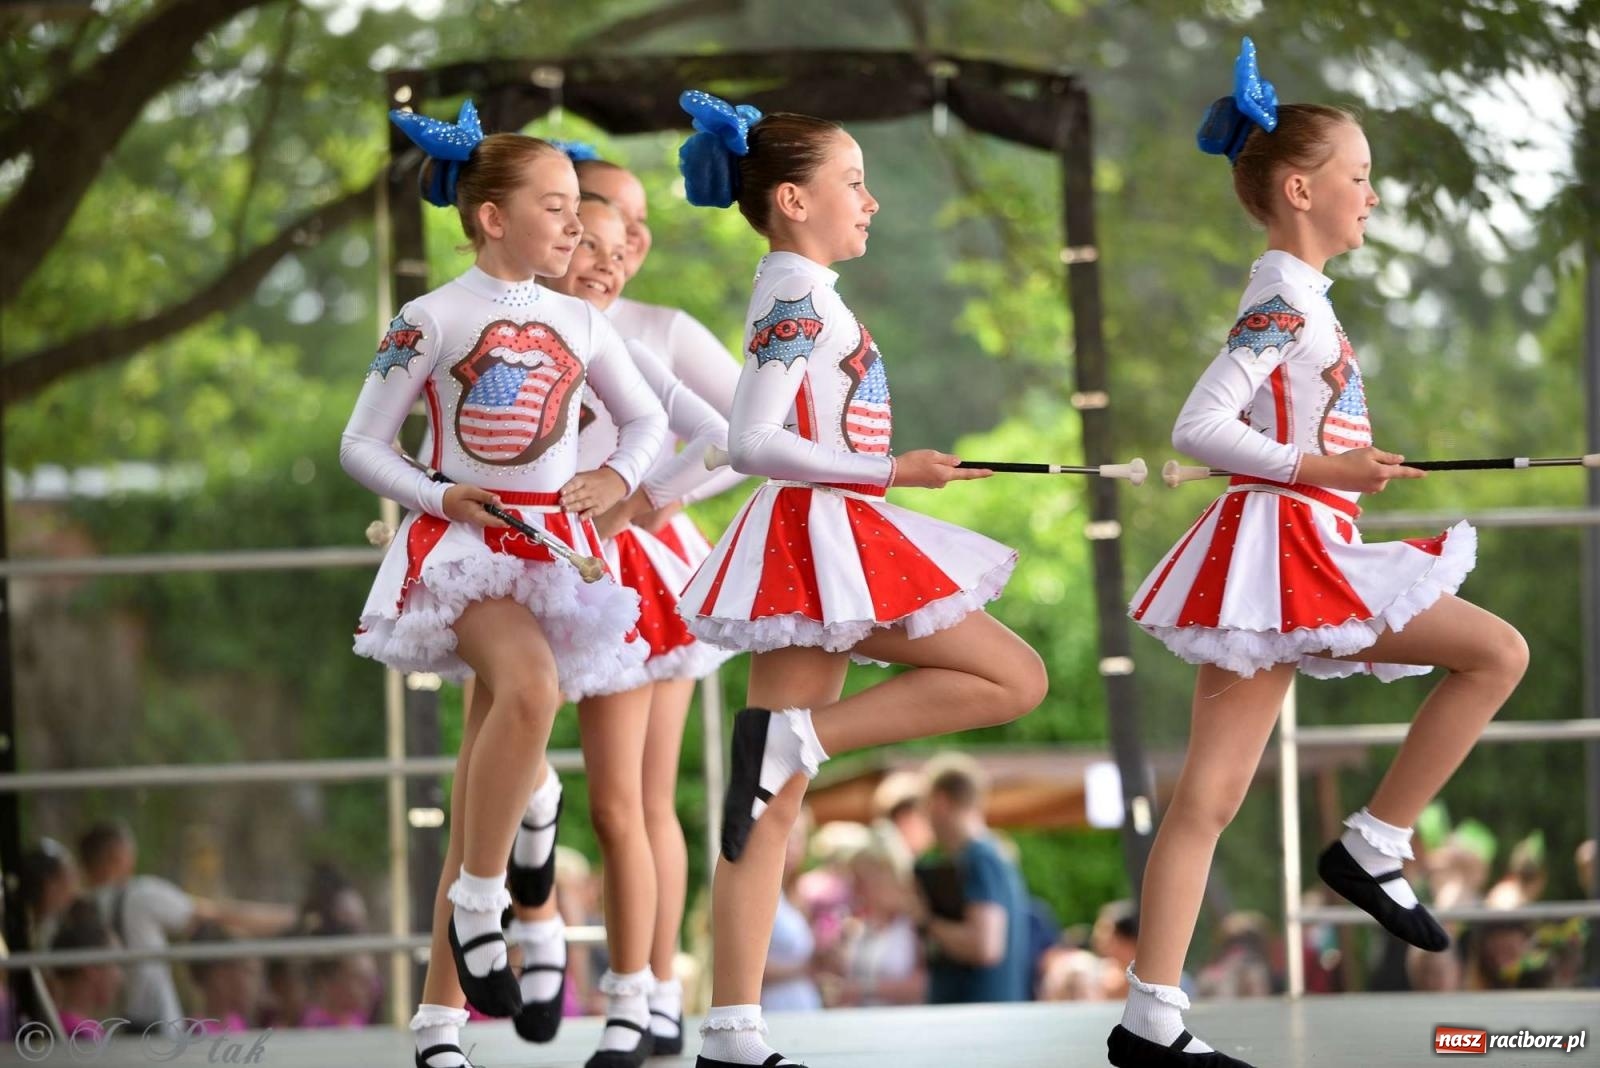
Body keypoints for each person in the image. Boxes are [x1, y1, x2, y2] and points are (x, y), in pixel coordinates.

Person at [1114, 38, 1528, 1067]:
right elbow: (1197, 426)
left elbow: (1286, 433)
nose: (1373, 197)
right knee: (1496, 654)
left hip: (1287, 552)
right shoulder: (1284, 300)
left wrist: (1349, 467)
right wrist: (1318, 470)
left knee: (1207, 799)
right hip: (1282, 555)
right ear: (1301, 188)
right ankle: (1373, 847)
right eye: (1360, 176)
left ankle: (1150, 1019)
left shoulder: (1303, 298)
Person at [673, 89, 1049, 1068]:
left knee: (776, 797)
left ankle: (730, 1029)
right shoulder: (794, 292)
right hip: (819, 533)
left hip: (833, 531)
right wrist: (893, 471)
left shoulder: (809, 292)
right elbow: (752, 441)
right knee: (1012, 678)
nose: (869, 202)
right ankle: (798, 738)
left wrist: (894, 473)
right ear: (792, 200)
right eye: (853, 183)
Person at [340, 100, 666, 1068]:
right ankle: (487, 900)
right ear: (491, 217)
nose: (577, 226)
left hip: (555, 556)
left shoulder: (577, 318)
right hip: (462, 553)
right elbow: (362, 443)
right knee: (531, 692)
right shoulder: (429, 317)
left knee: (489, 764)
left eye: (579, 209)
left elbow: (646, 424)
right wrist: (442, 494)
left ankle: (438, 1022)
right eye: (557, 206)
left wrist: (614, 478)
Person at [502, 188, 735, 1068]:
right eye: (581, 234)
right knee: (528, 757)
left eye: (619, 237)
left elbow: (733, 429)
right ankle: (537, 931)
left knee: (631, 800)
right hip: (533, 560)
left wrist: (645, 496)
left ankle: (642, 996)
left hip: (635, 566)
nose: (607, 251)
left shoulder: (645, 336)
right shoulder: (522, 334)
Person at [78, 821, 292, 1036]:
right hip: (154, 1028)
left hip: (102, 1034)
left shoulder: (75, 911)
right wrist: (286, 917)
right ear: (119, 855)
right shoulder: (140, 895)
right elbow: (214, 916)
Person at [920, 757, 1030, 1005]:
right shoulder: (991, 855)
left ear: (940, 802)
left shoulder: (980, 858)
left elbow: (984, 947)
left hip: (978, 1021)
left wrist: (924, 920)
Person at [47, 899, 123, 1046]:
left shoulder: (74, 1027)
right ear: (91, 969)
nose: (120, 976)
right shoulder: (79, 1035)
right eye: (116, 964)